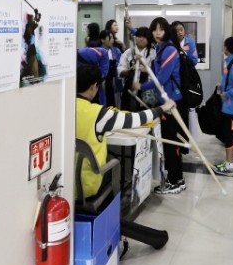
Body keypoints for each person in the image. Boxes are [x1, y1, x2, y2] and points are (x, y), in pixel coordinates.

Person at [75, 64, 175, 199]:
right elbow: (135, 119)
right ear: (94, 86)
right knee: (117, 164)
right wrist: (162, 108)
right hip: (88, 185)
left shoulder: (64, 106)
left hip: (67, 182)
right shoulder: (98, 114)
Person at [139, 17, 188, 194]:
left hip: (173, 102)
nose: (157, 32)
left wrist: (140, 86)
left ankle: (176, 181)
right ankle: (175, 178)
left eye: (161, 29)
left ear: (167, 31)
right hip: (166, 102)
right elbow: (157, 73)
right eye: (154, 29)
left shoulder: (169, 50)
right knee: (169, 141)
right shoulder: (160, 49)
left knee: (171, 143)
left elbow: (161, 79)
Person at [213, 36, 233, 176]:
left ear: (226, 48)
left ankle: (229, 165)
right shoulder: (231, 63)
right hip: (231, 107)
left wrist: (226, 94)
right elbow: (231, 81)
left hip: (232, 108)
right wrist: (221, 86)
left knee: (229, 136)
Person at [118, 26, 157, 111]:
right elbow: (120, 72)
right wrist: (131, 69)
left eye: (144, 37)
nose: (141, 39)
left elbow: (159, 73)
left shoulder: (153, 54)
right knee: (128, 113)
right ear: (135, 37)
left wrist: (147, 70)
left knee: (146, 115)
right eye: (139, 36)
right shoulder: (128, 52)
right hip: (130, 89)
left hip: (147, 89)